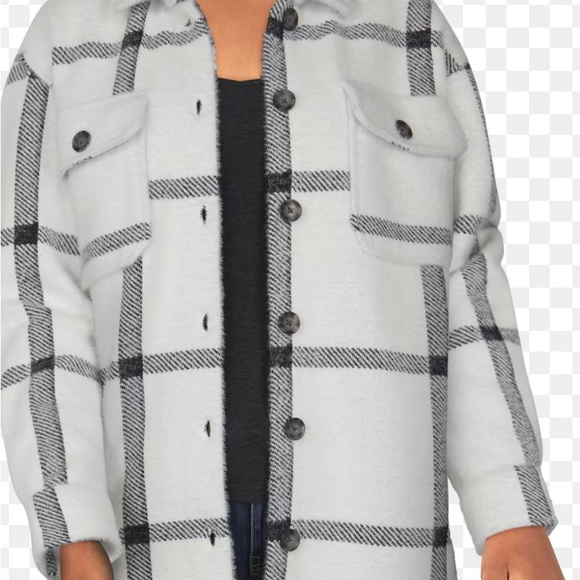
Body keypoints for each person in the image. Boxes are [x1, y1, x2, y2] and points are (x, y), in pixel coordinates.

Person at [1, 0, 564, 579]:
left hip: (373, 534)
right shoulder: (66, 39)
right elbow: (38, 306)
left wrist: (511, 514)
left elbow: (467, 288)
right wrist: (72, 528)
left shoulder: (408, 27)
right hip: (152, 539)